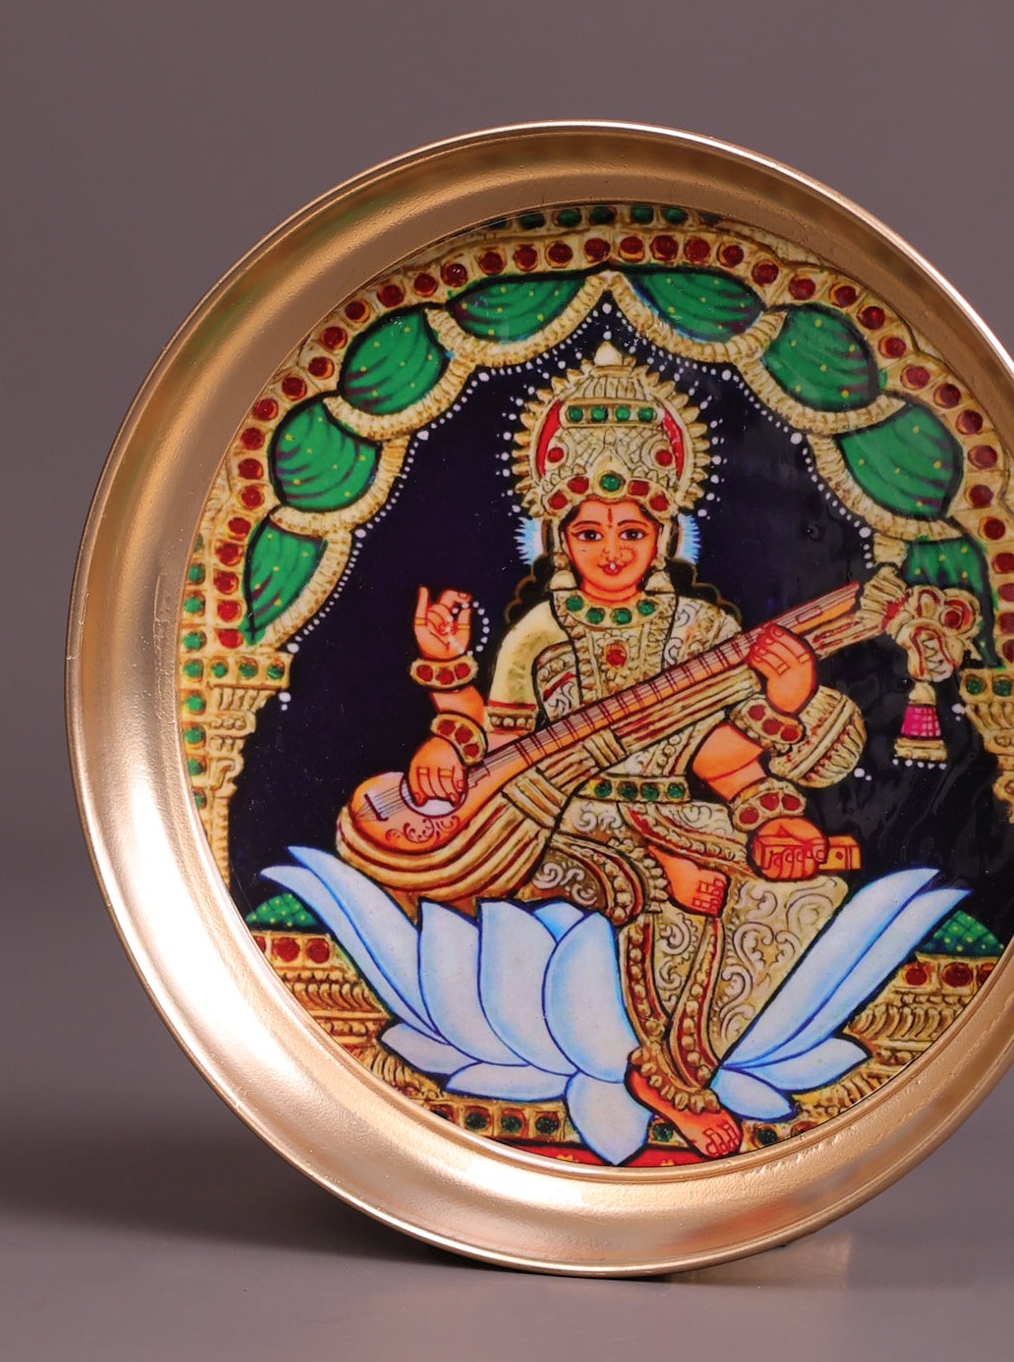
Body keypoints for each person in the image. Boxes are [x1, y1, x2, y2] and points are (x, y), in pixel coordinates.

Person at [362, 345, 866, 1157]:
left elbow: (723, 760)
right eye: (589, 531)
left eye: (631, 530)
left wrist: (779, 756)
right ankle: (672, 1078)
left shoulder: (703, 630)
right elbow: (506, 750)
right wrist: (447, 698)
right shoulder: (540, 633)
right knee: (683, 889)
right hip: (565, 823)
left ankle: (680, 1061)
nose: (611, 549)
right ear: (559, 540)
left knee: (801, 884)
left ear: (662, 537)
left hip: (678, 813)